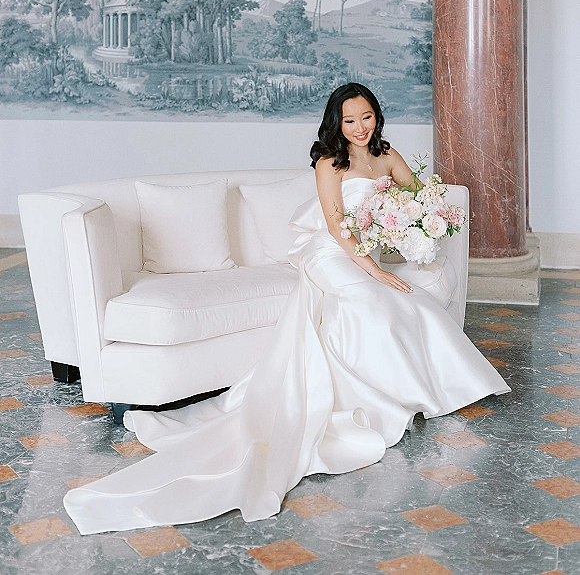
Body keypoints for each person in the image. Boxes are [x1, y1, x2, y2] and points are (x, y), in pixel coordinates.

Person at [64, 83, 510, 535]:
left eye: (367, 117)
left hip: (367, 252)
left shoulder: (388, 154)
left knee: (416, 306)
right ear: (337, 122)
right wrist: (376, 271)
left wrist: (413, 224)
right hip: (333, 256)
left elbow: (417, 199)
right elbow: (336, 227)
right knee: (371, 302)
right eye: (350, 119)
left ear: (378, 117)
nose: (360, 128)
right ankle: (388, 398)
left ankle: (436, 391)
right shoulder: (328, 162)